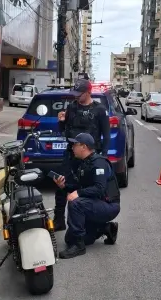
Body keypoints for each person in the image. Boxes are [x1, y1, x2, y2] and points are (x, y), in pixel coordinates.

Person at [53, 78, 110, 232]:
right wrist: (61, 121)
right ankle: (59, 220)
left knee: (87, 189)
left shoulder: (99, 109)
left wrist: (102, 157)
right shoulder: (71, 107)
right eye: (75, 93)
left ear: (88, 92)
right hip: (71, 153)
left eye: (80, 93)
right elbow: (64, 130)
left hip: (90, 156)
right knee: (61, 184)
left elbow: (106, 135)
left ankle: (92, 224)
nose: (76, 96)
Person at [54, 133, 120, 259]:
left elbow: (99, 189)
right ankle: (105, 228)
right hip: (93, 204)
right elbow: (80, 187)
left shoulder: (99, 163)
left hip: (109, 205)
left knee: (75, 203)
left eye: (75, 144)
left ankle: (79, 247)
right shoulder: (84, 163)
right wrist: (64, 186)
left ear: (84, 147)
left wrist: (78, 193)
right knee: (69, 239)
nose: (72, 147)